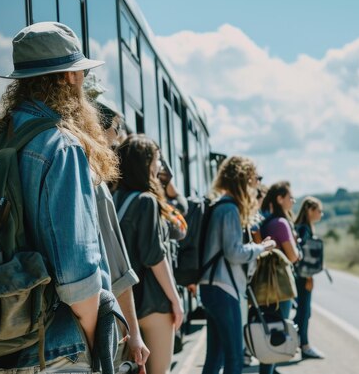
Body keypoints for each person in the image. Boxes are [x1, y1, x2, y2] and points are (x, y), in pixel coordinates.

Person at [0, 21, 119, 373]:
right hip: (52, 348)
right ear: (67, 78)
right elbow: (77, 283)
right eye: (80, 75)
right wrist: (100, 347)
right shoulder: (61, 147)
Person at [84, 75, 151, 373]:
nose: (118, 139)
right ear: (97, 127)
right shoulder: (93, 182)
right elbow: (117, 270)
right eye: (117, 129)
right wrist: (134, 335)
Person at [113, 135, 184, 374]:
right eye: (157, 159)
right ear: (146, 164)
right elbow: (155, 257)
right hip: (153, 304)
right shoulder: (146, 201)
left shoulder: (113, 198)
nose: (159, 166)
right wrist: (175, 300)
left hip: (123, 304)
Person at [198, 156, 275, 374]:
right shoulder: (229, 209)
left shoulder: (220, 205)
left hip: (212, 287)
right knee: (234, 357)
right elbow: (234, 252)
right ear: (243, 179)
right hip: (224, 288)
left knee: (215, 356)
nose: (256, 183)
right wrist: (262, 248)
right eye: (255, 178)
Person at [258, 181, 301, 374]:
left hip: (264, 286)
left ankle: (269, 369)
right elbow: (292, 256)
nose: (292, 201)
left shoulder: (266, 222)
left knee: (267, 331)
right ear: (279, 199)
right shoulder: (281, 223)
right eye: (290, 197)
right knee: (277, 334)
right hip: (280, 286)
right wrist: (298, 252)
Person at [293, 197, 325, 360]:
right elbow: (305, 258)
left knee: (303, 311)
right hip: (302, 277)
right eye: (319, 210)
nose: (321, 214)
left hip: (298, 276)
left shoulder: (300, 227)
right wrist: (308, 277)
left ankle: (297, 342)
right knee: (304, 311)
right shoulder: (305, 229)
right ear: (310, 210)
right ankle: (304, 345)